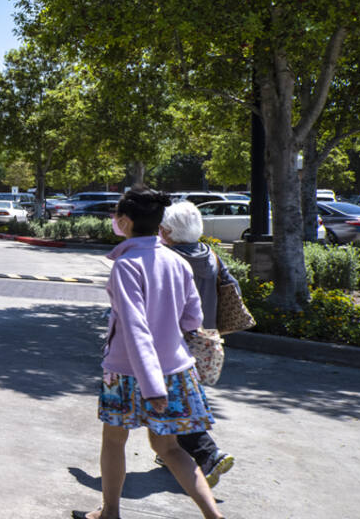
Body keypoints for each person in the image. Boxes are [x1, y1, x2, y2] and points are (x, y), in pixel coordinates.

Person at [76, 186, 224, 519]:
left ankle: (110, 512)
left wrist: (151, 386)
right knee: (170, 449)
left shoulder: (126, 266)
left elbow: (134, 328)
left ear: (125, 221)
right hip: (176, 370)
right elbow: (193, 318)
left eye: (116, 216)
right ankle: (214, 516)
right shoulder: (177, 262)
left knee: (114, 442)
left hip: (129, 373)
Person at [159, 200, 238, 488]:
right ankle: (172, 451)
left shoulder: (167, 259)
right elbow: (233, 291)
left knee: (173, 402)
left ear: (167, 231)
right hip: (205, 340)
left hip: (174, 341)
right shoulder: (212, 256)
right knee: (181, 398)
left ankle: (209, 454)